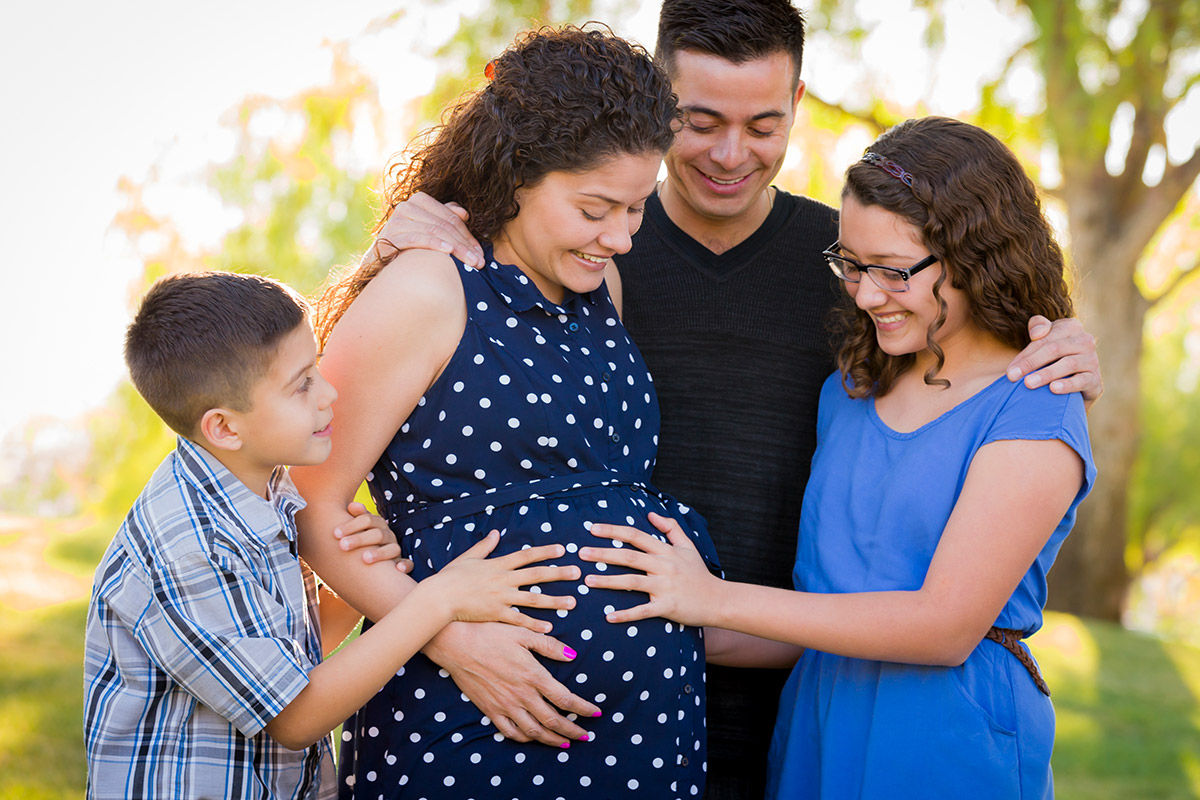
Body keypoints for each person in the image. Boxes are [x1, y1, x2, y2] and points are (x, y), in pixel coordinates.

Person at [372, 2, 1104, 796]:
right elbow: (427, 394)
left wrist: (1059, 339)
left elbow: (967, 367)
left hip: (793, 705)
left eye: (762, 124)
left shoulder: (856, 278)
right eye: (701, 120)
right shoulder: (583, 248)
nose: (730, 153)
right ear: (656, 109)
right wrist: (410, 232)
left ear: (798, 105)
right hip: (602, 705)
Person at [579, 116, 1095, 799]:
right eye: (851, 264)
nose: (865, 293)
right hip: (816, 726)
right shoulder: (849, 392)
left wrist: (714, 596)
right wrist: (638, 614)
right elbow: (816, 618)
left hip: (944, 738)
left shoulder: (1036, 403)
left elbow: (942, 627)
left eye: (892, 271)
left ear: (977, 258)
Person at [290, 25, 721, 799]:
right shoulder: (429, 288)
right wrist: (451, 640)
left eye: (635, 208)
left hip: (642, 729)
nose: (621, 237)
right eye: (596, 208)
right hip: (467, 713)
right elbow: (309, 505)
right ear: (519, 174)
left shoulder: (600, 293)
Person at [83, 271, 576, 799]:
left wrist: (352, 590)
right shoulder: (185, 546)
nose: (329, 393)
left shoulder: (260, 489)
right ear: (224, 427)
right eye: (302, 385)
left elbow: (288, 651)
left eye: (316, 367)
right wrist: (436, 601)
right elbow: (295, 715)